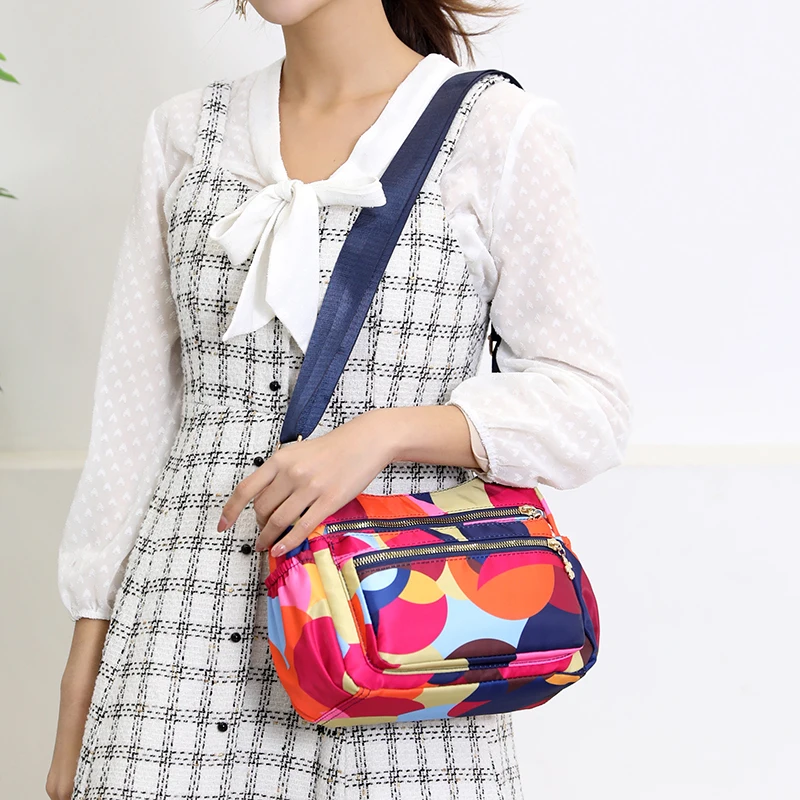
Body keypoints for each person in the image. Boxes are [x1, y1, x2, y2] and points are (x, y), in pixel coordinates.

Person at [46, 1, 633, 798]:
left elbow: (588, 404)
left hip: (394, 654)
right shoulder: (186, 133)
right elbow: (133, 423)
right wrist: (81, 689)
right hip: (173, 659)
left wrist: (384, 434)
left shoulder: (498, 134)